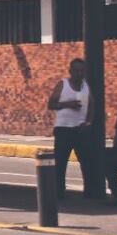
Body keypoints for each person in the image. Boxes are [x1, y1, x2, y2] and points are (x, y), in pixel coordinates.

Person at [47, 58, 94, 199]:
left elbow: (92, 105)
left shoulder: (86, 86)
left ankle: (89, 191)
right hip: (63, 129)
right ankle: (59, 191)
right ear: (70, 71)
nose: (79, 74)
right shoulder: (63, 84)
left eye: (82, 71)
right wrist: (68, 104)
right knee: (60, 162)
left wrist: (88, 123)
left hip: (80, 129)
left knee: (86, 162)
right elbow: (51, 104)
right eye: (76, 71)